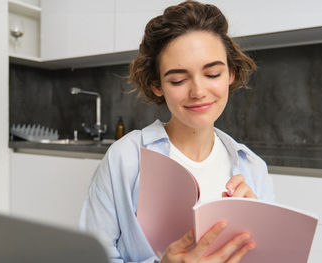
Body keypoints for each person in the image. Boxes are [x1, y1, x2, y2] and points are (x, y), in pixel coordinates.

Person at [79, 1, 274, 262]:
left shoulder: (253, 168)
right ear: (157, 85)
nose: (198, 92)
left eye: (213, 73)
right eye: (178, 80)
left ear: (231, 74)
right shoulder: (126, 158)